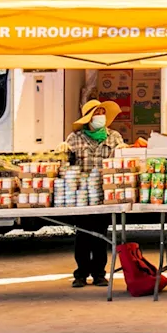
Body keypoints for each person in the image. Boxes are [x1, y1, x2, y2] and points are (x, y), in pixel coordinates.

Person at [64, 99, 126, 288]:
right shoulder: (74, 139)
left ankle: (99, 273)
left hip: (105, 194)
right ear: (88, 118)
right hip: (83, 194)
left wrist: (126, 152)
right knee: (83, 234)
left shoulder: (114, 137)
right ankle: (80, 274)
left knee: (101, 235)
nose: (100, 116)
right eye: (96, 113)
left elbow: (122, 162)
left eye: (102, 112)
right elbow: (66, 165)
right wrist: (62, 153)